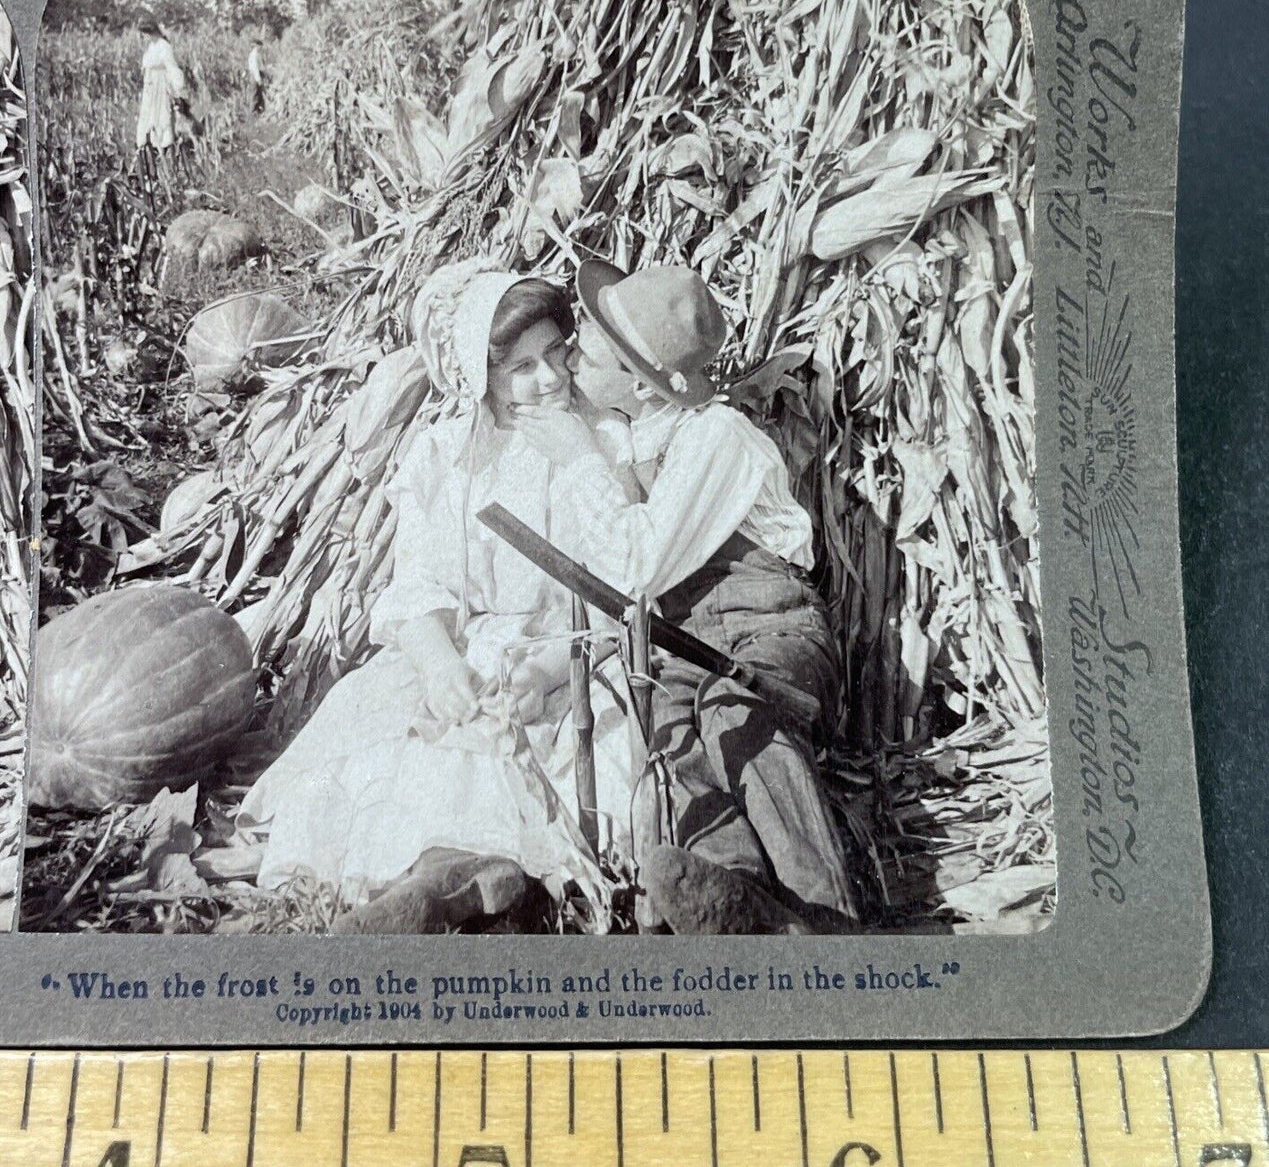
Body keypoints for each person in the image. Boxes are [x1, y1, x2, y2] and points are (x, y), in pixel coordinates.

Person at [240, 260, 634, 933]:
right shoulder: (442, 454)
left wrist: (543, 673)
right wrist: (439, 663)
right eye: (523, 368)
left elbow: (617, 586)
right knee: (409, 745)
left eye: (555, 357)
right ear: (479, 377)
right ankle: (423, 885)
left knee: (558, 758)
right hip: (469, 650)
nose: (550, 381)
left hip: (571, 657)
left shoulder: (599, 440)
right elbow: (417, 582)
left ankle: (486, 882)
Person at [515, 260, 860, 935]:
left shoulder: (716, 437)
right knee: (669, 741)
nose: (568, 357)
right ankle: (735, 898)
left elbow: (636, 562)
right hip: (682, 646)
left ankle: (823, 915)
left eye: (585, 350)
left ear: (638, 385)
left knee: (735, 710)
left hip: (770, 628)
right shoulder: (631, 439)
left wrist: (580, 458)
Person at [135, 18, 189, 155]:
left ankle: (165, 147)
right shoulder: (152, 46)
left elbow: (172, 67)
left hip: (160, 84)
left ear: (151, 33)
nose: (144, 37)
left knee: (161, 115)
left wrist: (178, 87)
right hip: (150, 85)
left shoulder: (164, 46)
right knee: (148, 115)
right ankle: (150, 145)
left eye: (146, 34)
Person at [246, 36, 267, 114]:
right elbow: (255, 68)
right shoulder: (254, 54)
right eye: (260, 46)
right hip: (254, 76)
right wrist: (258, 79)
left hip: (257, 74)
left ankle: (258, 111)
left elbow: (261, 66)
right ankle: (252, 112)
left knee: (258, 93)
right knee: (254, 93)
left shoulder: (257, 54)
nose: (261, 48)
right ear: (257, 45)